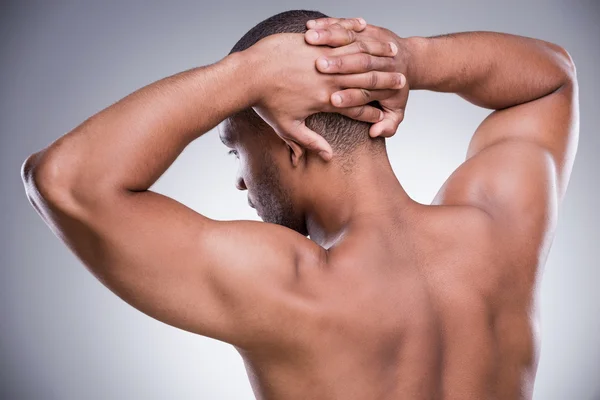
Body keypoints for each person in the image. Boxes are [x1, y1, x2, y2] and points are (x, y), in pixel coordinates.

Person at [21, 9, 578, 400]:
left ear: (290, 142)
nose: (242, 183)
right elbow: (550, 80)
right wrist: (411, 59)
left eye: (236, 149)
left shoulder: (289, 285)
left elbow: (65, 180)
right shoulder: (496, 233)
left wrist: (251, 74)